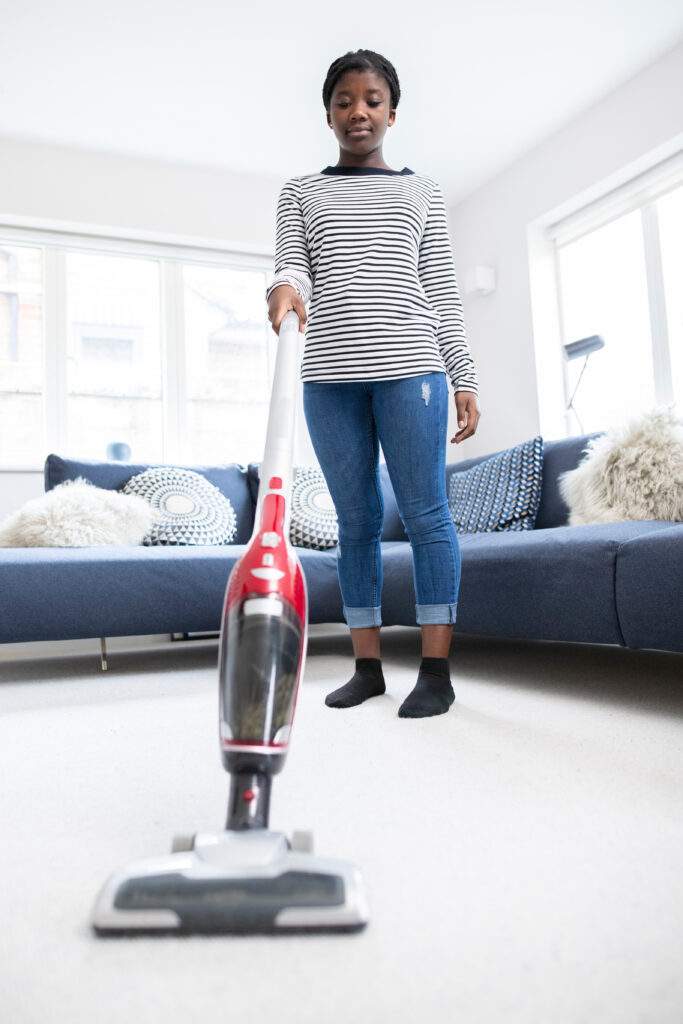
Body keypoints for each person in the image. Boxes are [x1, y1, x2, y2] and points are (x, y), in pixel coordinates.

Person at [266, 49, 481, 718]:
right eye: (343, 101)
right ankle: (366, 667)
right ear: (327, 114)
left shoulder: (421, 190)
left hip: (411, 370)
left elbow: (441, 290)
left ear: (391, 112)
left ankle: (436, 670)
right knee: (354, 521)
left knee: (425, 514)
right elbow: (292, 265)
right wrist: (280, 290)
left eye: (371, 100)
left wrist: (463, 374)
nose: (357, 111)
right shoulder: (300, 190)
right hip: (327, 377)